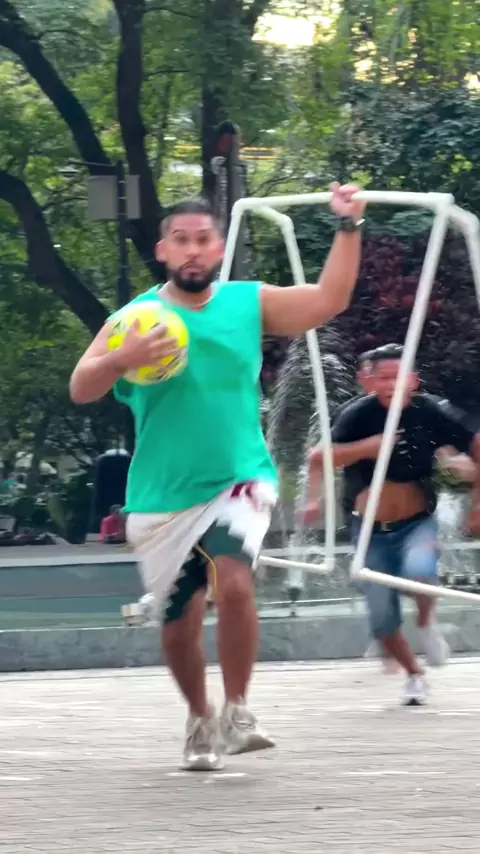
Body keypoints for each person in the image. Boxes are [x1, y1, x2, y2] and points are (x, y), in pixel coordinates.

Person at [69, 184, 366, 770]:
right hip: (162, 494)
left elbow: (328, 299)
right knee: (179, 617)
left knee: (234, 582)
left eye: (203, 239)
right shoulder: (135, 320)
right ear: (163, 250)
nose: (193, 250)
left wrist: (349, 225)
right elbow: (81, 386)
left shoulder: (246, 303)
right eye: (181, 240)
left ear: (219, 246)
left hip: (240, 477)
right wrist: (122, 360)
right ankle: (199, 717)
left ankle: (238, 710)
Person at [306, 343, 480, 706]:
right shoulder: (358, 415)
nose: (390, 385)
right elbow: (320, 457)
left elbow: (475, 444)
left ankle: (426, 623)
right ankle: (414, 675)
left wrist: (475, 498)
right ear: (370, 381)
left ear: (413, 380)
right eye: (382, 377)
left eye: (398, 377)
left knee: (421, 570)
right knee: (382, 619)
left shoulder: (429, 410)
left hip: (416, 523)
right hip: (369, 530)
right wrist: (367, 448)